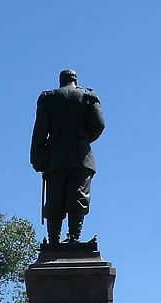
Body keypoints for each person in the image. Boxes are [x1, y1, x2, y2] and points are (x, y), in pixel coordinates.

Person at [30, 68, 106, 245]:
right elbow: (100, 125)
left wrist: (36, 157)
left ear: (60, 81)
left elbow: (39, 132)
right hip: (82, 156)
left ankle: (53, 240)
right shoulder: (88, 97)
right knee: (78, 196)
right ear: (75, 80)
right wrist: (85, 136)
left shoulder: (49, 98)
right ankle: (74, 237)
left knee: (55, 197)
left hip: (55, 156)